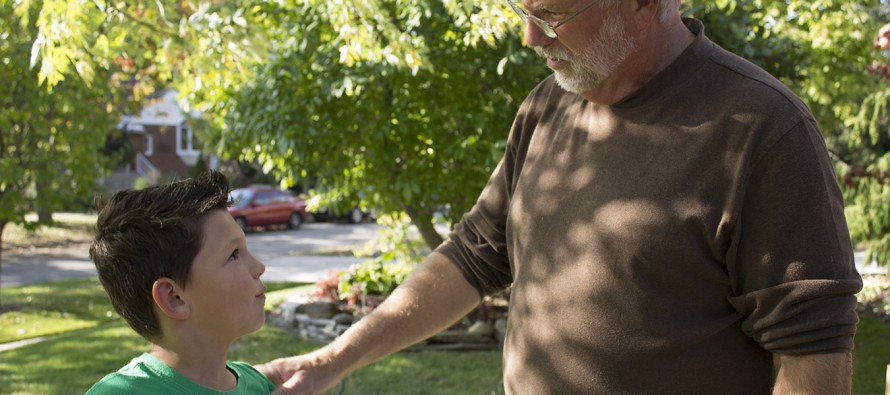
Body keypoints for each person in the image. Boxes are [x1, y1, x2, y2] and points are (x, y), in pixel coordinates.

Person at [257, 0, 862, 393]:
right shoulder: (550, 104)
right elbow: (474, 256)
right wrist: (328, 360)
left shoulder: (761, 128)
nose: (528, 37)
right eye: (522, 10)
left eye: (552, 15)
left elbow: (814, 354)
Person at [85, 171, 276, 394]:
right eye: (233, 254)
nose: (259, 267)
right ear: (174, 298)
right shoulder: (120, 392)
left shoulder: (258, 385)